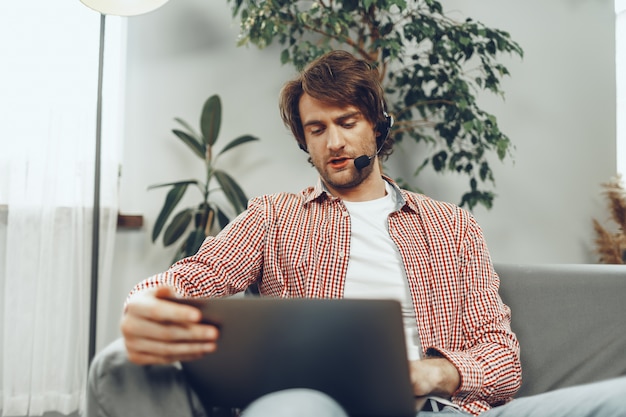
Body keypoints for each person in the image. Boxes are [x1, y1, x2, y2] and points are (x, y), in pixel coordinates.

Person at [87, 50, 626, 417]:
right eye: (316, 129)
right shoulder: (272, 217)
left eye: (346, 121)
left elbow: (502, 360)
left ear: (376, 123)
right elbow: (192, 278)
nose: (334, 142)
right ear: (305, 142)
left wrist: (432, 374)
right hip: (315, 403)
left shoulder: (453, 226)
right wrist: (143, 304)